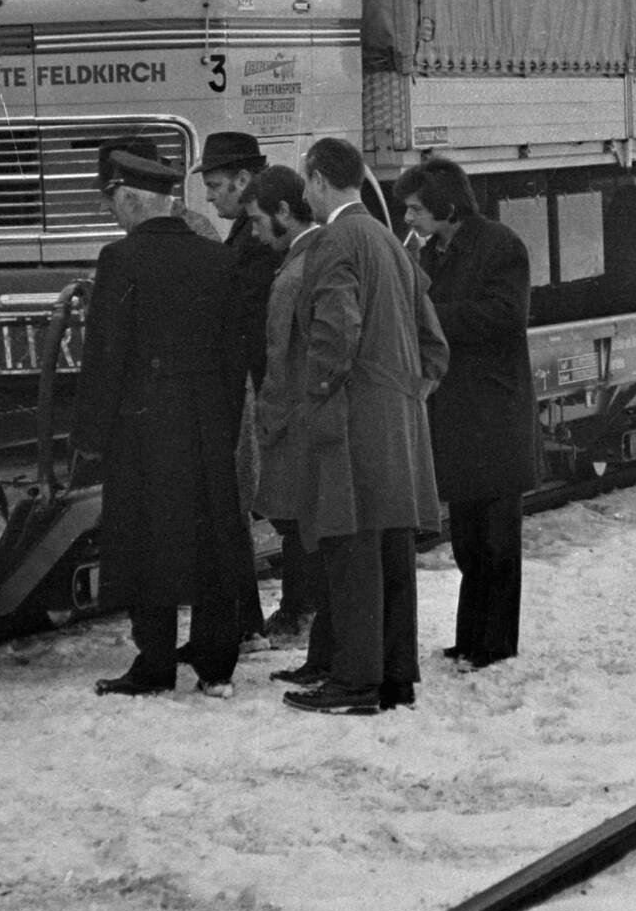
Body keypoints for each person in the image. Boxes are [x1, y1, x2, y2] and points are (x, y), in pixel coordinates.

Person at [256, 136, 449, 716]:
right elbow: (433, 343)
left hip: (349, 425)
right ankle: (395, 679)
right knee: (391, 556)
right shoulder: (390, 240)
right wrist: (406, 395)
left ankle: (354, 684)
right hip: (396, 424)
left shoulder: (336, 240)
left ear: (316, 180)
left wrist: (317, 398)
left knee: (351, 555)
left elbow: (334, 332)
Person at [70, 140, 251, 699]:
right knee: (214, 536)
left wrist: (91, 437)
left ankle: (154, 663)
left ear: (128, 199)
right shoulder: (219, 259)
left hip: (143, 422)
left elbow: (106, 355)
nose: (111, 212)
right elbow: (234, 351)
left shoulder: (119, 260)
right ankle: (217, 664)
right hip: (205, 419)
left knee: (148, 538)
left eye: (112, 201)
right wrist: (222, 418)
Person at [398, 157, 539, 669]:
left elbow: (506, 316)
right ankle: (470, 637)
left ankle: (496, 644)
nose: (409, 218)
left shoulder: (501, 246)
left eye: (415, 208)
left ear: (445, 205)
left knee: (497, 541)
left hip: (495, 414)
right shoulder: (435, 252)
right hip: (460, 413)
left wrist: (431, 320)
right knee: (468, 540)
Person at [201, 130, 317, 642]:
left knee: (291, 507)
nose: (210, 196)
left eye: (217, 184)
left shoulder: (263, 244)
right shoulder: (245, 237)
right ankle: (298, 607)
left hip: (271, 392)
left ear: (245, 182)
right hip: (263, 390)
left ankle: (301, 608)